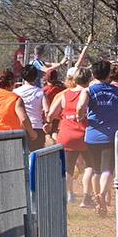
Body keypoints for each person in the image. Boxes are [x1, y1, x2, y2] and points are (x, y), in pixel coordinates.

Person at [76, 59, 118, 218]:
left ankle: (96, 200)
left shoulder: (88, 91)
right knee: (108, 168)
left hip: (92, 135)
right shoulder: (117, 91)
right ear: (109, 74)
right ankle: (101, 193)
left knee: (95, 169)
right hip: (110, 134)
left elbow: (80, 107)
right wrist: (116, 112)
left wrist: (81, 116)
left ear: (93, 74)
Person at [47, 66, 91, 204]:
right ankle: (86, 197)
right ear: (88, 79)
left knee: (68, 169)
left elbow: (51, 114)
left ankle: (63, 198)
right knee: (90, 165)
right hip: (84, 133)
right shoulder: (89, 93)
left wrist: (50, 122)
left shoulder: (64, 95)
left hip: (66, 133)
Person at [15, 64, 49, 150]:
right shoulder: (40, 92)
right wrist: (48, 123)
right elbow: (47, 110)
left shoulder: (15, 92)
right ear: (36, 76)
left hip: (21, 127)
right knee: (36, 158)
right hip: (37, 127)